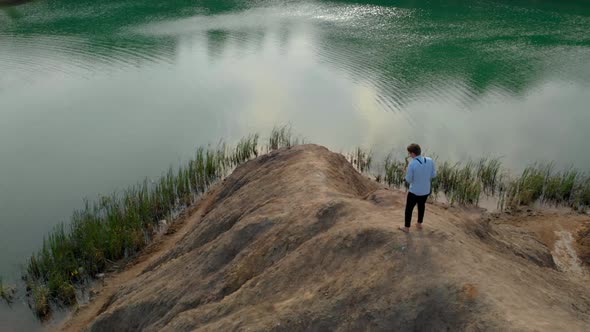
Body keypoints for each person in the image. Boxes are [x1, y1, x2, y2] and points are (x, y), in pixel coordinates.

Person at [399, 143, 436, 233]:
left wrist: (404, 177)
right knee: (421, 206)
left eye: (409, 153)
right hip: (426, 190)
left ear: (413, 154)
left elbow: (409, 180)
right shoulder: (430, 160)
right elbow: (433, 175)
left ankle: (406, 227)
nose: (409, 155)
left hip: (414, 191)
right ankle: (419, 224)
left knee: (409, 209)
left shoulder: (412, 164)